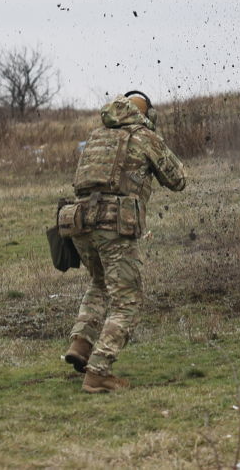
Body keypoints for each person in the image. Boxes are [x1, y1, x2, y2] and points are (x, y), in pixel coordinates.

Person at [59, 92, 186, 393]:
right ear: (146, 115)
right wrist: (157, 140)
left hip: (80, 222)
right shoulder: (143, 136)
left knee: (100, 282)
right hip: (113, 224)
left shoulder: (97, 135)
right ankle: (99, 370)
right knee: (128, 300)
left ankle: (81, 344)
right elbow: (178, 179)